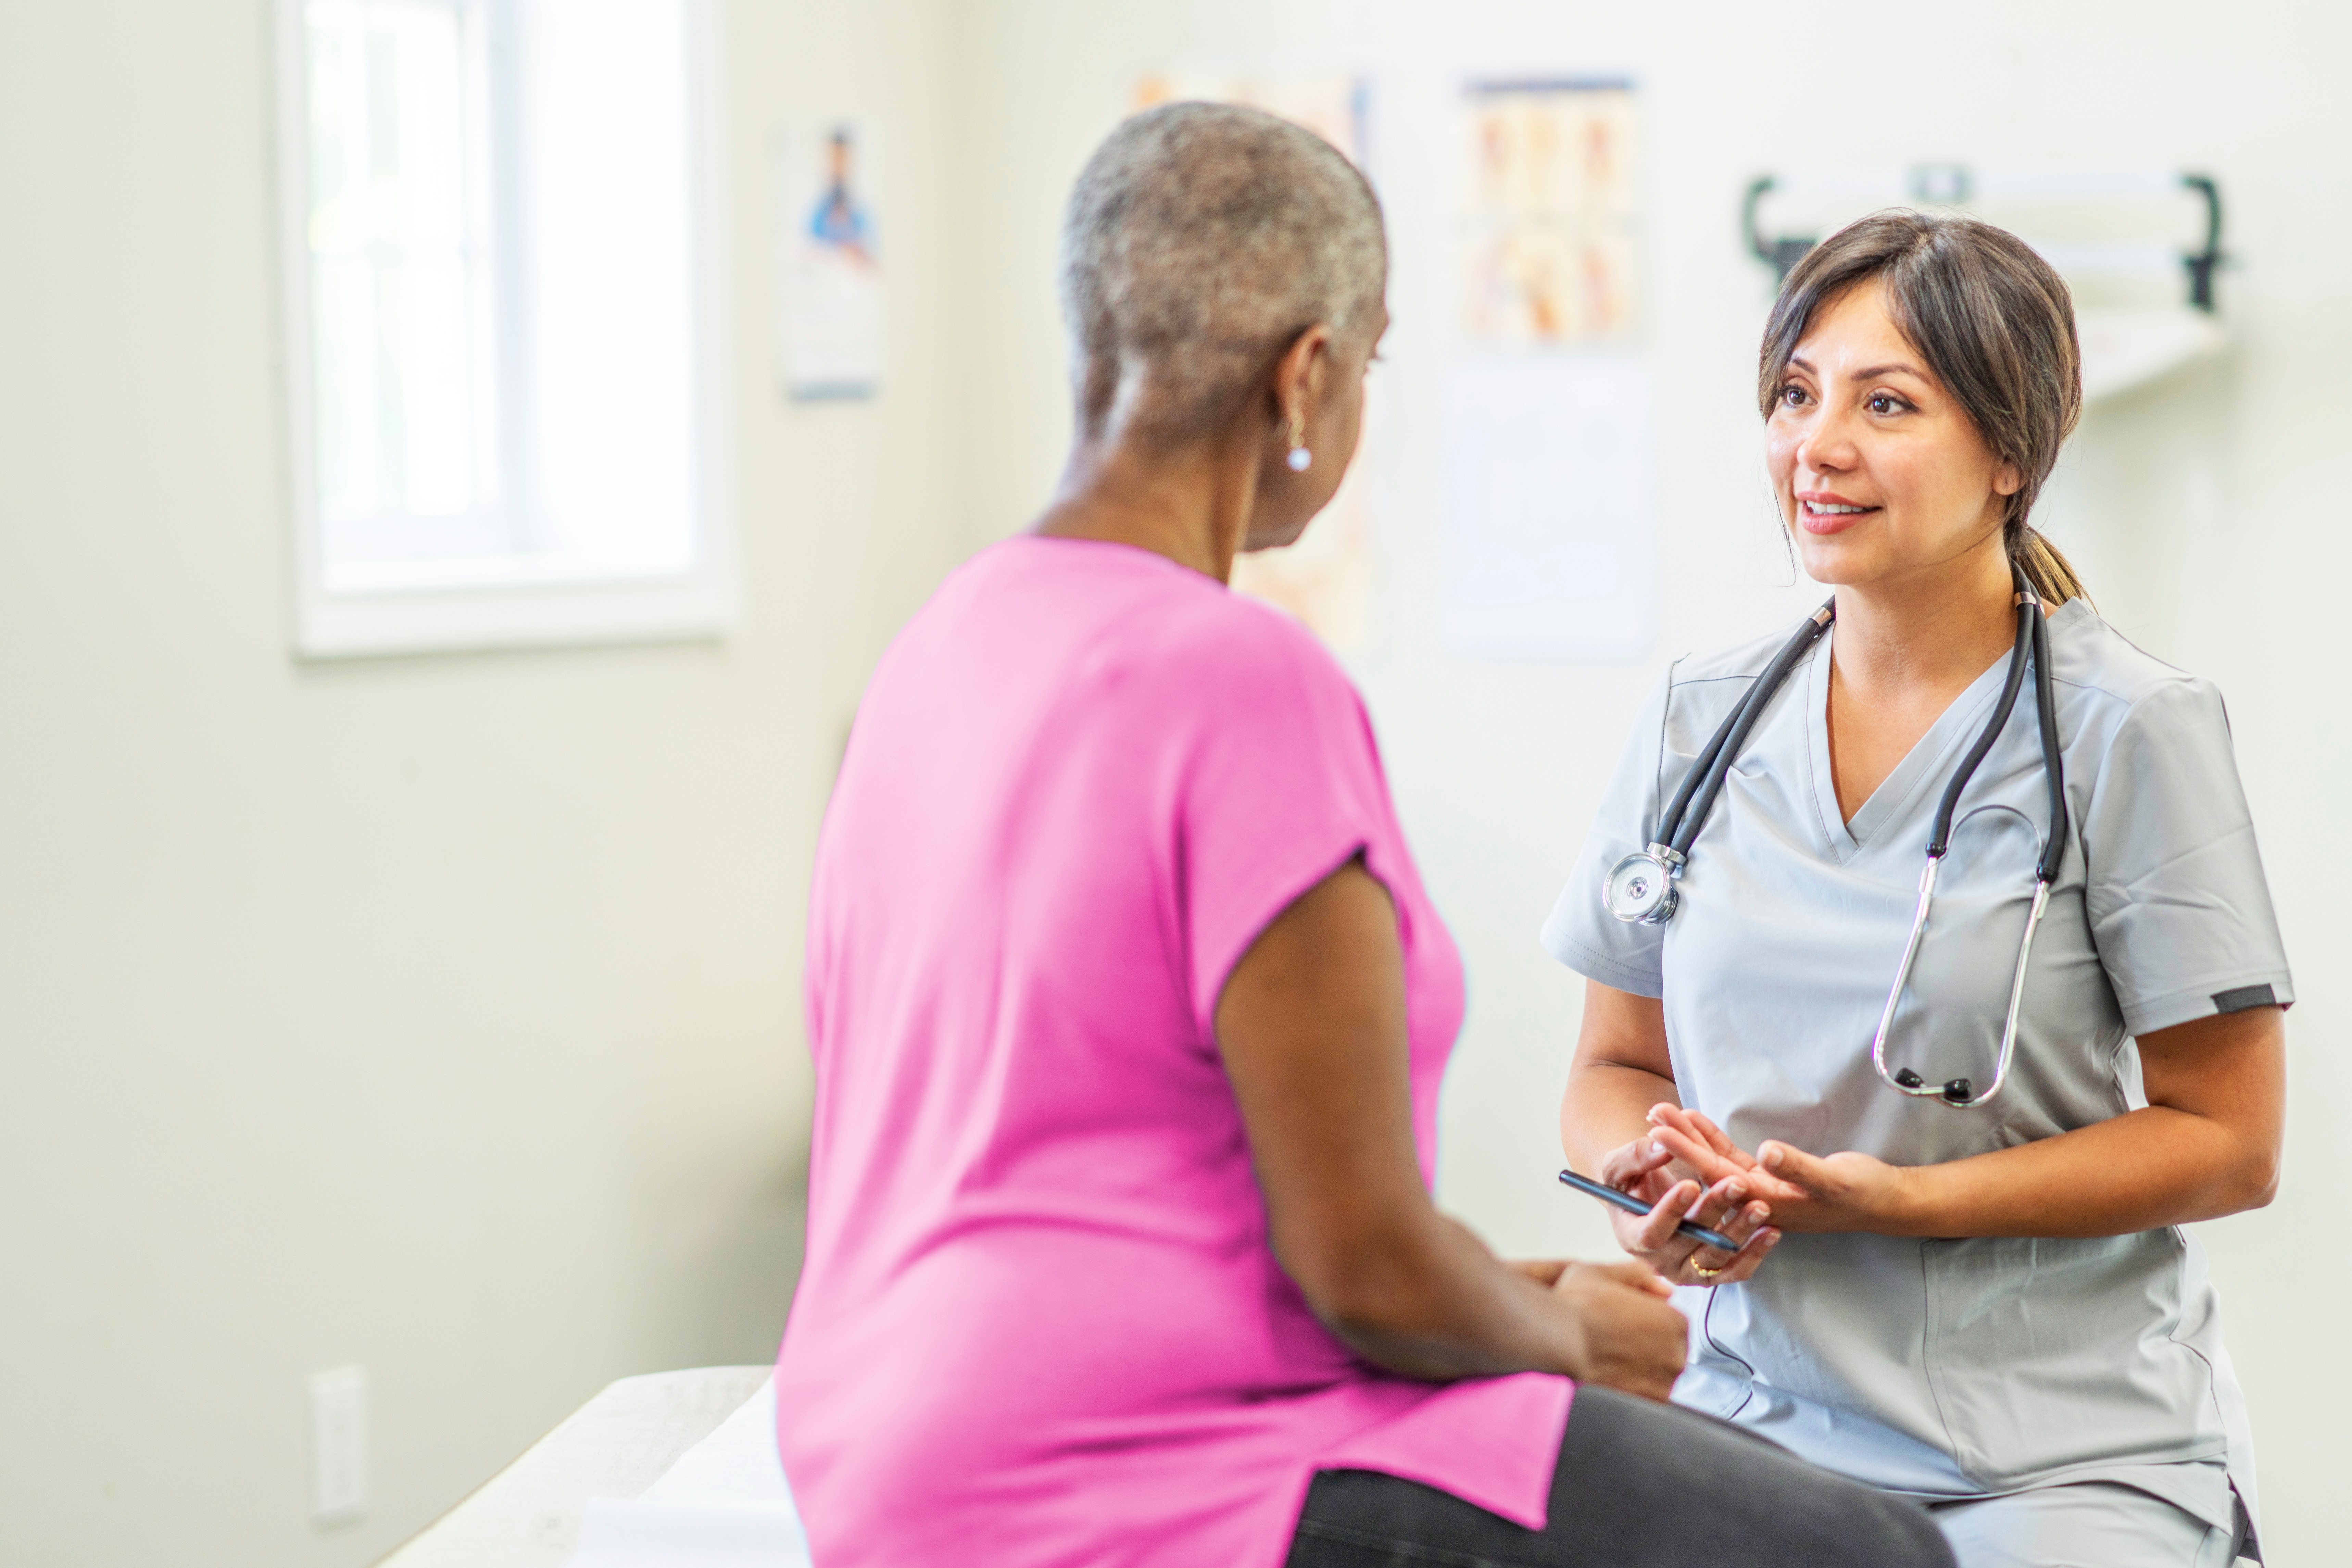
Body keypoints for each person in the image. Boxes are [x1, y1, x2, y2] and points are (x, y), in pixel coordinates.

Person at [771, 105, 1954, 1568]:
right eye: (1373, 362)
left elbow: (1117, 1163)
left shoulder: (942, 643)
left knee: (1728, 1469)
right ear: (1306, 377)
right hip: (1150, 1467)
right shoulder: (1237, 679)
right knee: (1876, 1556)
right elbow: (1362, 1266)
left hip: (881, 1449)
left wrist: (1489, 1291)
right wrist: (1557, 1326)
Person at [1549, 211, 2288, 1568]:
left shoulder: (2130, 728)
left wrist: (1901, 1202)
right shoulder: (1693, 720)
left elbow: (2226, 1139)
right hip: (1744, 1431)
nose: (1813, 446)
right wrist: (1641, 1182)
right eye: (1793, 392)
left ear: (2009, 454)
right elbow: (1612, 1061)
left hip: (2052, 1454)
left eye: (1883, 402)